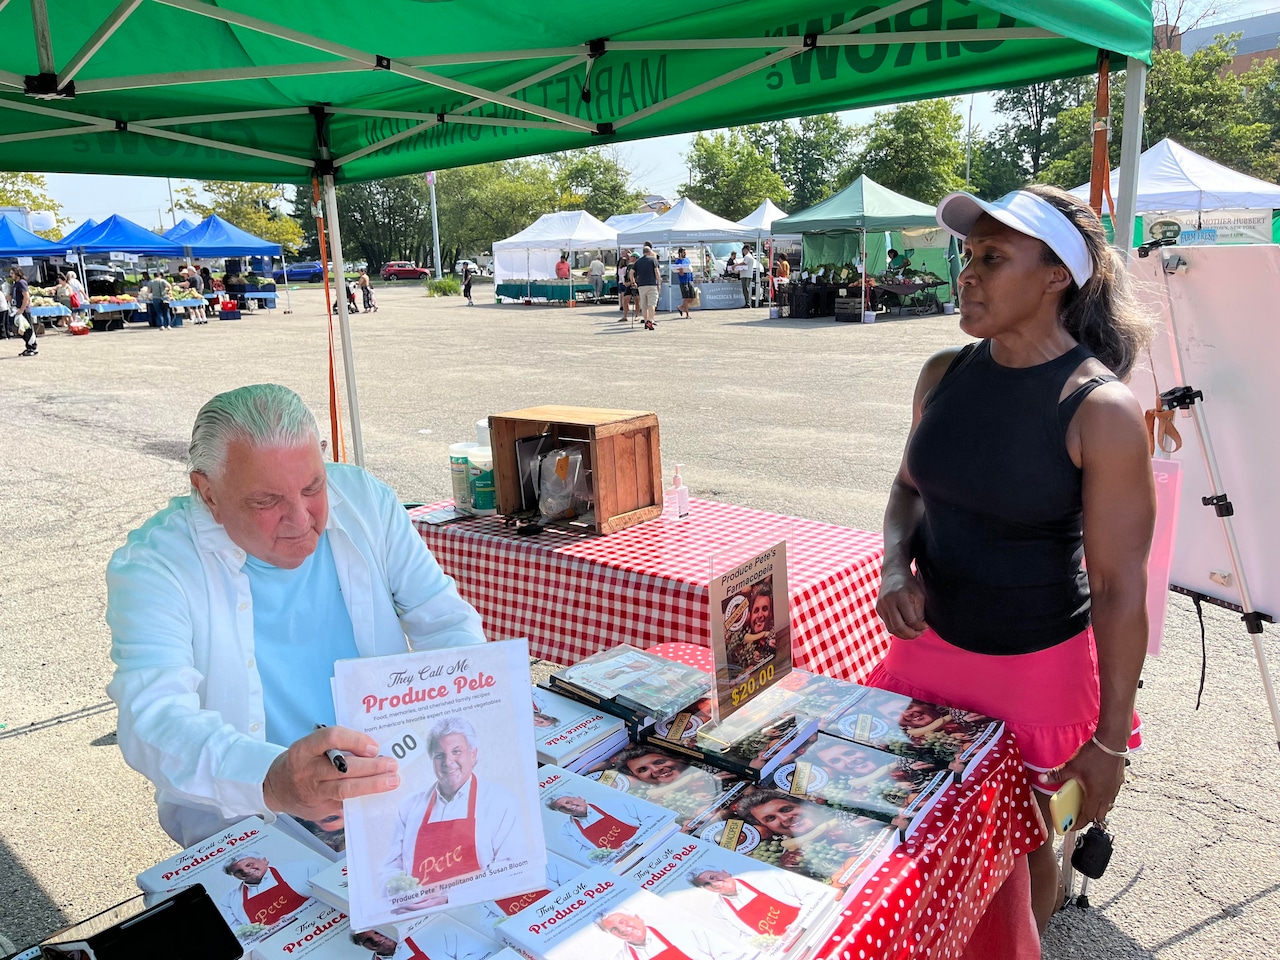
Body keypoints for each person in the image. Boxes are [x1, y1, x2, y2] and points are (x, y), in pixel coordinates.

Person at [872, 184, 1155, 941]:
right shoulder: (942, 374)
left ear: (1057, 274)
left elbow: (1121, 590)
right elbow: (906, 492)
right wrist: (896, 566)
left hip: (1035, 675)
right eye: (968, 256)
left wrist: (1109, 740)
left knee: (1024, 854)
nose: (966, 274)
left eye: (992, 259)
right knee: (911, 831)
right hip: (925, 654)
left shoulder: (1100, 410)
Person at [105, 384, 487, 847]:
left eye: (312, 487)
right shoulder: (156, 565)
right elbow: (154, 717)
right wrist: (271, 779)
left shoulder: (366, 501)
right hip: (245, 819)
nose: (301, 519)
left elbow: (445, 622)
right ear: (207, 492)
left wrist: (460, 721)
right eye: (266, 502)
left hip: (391, 786)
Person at [378, 717, 525, 903]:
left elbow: (511, 870)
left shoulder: (501, 802)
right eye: (439, 755)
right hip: (415, 914)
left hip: (479, 909)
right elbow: (389, 867)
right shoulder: (410, 806)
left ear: (473, 755)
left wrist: (449, 898)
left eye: (457, 752)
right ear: (431, 759)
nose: (448, 762)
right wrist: (397, 890)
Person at [687, 867, 819, 942]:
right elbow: (741, 939)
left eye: (712, 877)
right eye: (707, 884)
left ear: (724, 872)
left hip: (814, 925)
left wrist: (799, 925)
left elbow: (812, 894)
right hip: (789, 948)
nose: (715, 884)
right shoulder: (719, 911)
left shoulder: (765, 877)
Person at [217, 853, 321, 930]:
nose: (246, 871)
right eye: (238, 871)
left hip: (318, 923)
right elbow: (239, 932)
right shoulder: (229, 901)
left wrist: (291, 917)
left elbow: (326, 893)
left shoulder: (303, 868)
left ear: (264, 860)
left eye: (249, 864)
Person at [595, 910, 739, 960]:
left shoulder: (682, 929)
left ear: (638, 918)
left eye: (623, 921)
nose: (623, 929)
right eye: (613, 929)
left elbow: (730, 954)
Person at [632, 243, 661, 331]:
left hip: (641, 285)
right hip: (651, 284)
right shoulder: (653, 259)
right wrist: (659, 283)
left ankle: (645, 321)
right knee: (652, 304)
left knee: (644, 305)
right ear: (649, 252)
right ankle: (650, 320)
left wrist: (633, 282)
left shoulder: (638, 261)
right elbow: (657, 272)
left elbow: (631, 272)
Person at [9, 266, 37, 356]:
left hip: (24, 310)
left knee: (28, 329)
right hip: (17, 309)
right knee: (21, 329)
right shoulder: (15, 284)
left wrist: (22, 309)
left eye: (12, 273)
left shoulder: (22, 283)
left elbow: (26, 296)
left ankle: (32, 347)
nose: (11, 275)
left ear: (17, 273)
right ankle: (28, 347)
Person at [672, 247, 695, 319]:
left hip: (689, 280)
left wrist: (692, 279)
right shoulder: (678, 261)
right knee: (686, 297)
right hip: (683, 281)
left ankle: (680, 307)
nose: (685, 254)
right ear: (680, 253)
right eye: (684, 252)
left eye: (685, 252)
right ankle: (687, 314)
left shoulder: (687, 260)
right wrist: (680, 272)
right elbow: (678, 271)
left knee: (692, 297)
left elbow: (690, 269)